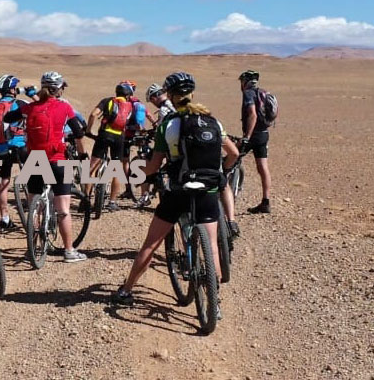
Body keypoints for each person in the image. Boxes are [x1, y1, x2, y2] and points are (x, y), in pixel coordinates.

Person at [112, 71, 239, 308]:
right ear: (192, 93)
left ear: (169, 95)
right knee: (211, 244)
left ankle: (127, 290)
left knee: (151, 243)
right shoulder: (213, 120)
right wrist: (219, 171)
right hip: (208, 190)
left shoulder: (169, 125)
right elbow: (233, 153)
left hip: (179, 191)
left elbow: (154, 163)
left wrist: (145, 178)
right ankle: (214, 298)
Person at [4, 71, 89, 263]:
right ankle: (69, 251)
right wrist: (82, 155)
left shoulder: (30, 107)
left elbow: (9, 118)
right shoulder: (65, 107)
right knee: (63, 209)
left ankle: (31, 248)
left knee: (33, 206)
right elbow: (78, 132)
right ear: (58, 89)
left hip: (34, 159)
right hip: (59, 160)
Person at [85, 82, 141, 210]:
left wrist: (88, 131)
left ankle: (86, 200)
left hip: (104, 135)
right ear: (128, 95)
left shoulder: (107, 101)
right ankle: (112, 202)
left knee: (92, 166)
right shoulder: (130, 106)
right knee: (116, 170)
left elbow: (93, 114)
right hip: (119, 137)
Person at [0, 74, 29, 231]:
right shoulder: (20, 103)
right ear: (12, 89)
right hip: (21, 147)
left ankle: (4, 219)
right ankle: (35, 219)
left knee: (3, 182)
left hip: (0, 149)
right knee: (34, 181)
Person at [135, 82, 176, 207]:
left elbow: (161, 130)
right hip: (179, 144)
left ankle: (144, 196)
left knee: (144, 163)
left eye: (151, 101)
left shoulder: (164, 109)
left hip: (168, 144)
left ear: (154, 98)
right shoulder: (174, 104)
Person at [239, 69, 272, 214]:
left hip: (253, 136)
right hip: (264, 134)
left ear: (244, 82)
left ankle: (222, 196)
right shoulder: (264, 93)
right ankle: (266, 201)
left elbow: (252, 114)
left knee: (231, 159)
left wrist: (247, 137)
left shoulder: (248, 94)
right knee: (263, 167)